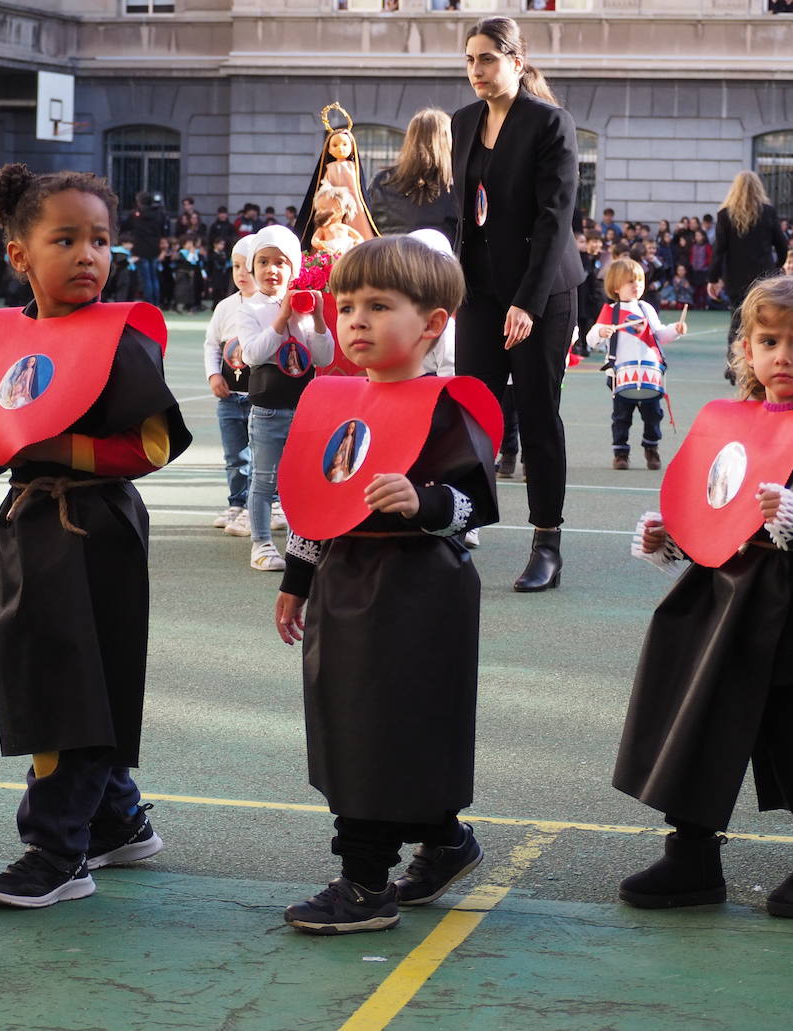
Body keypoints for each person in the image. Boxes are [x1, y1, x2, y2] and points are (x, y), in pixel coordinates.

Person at [0, 163, 192, 908]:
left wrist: (50, 448)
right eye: (67, 239)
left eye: (102, 240)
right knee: (40, 667)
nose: (89, 255)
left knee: (73, 681)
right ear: (19, 254)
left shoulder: (118, 336)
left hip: (95, 525)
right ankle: (115, 820)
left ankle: (57, 850)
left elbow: (151, 445)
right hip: (27, 520)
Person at [614, 274, 793, 920]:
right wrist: (670, 537)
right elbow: (707, 505)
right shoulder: (729, 421)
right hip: (722, 603)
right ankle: (691, 854)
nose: (781, 355)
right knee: (698, 723)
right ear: (745, 348)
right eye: (767, 340)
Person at [273, 236, 500, 934]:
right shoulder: (331, 399)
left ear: (432, 323)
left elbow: (474, 503)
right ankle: (445, 839)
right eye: (346, 307)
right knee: (353, 723)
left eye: (379, 306)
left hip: (418, 591)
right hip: (345, 583)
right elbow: (317, 500)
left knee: (395, 727)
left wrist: (424, 500)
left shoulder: (446, 404)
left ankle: (366, 881)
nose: (357, 322)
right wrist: (297, 577)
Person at [452, 16, 585, 592]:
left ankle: (546, 542)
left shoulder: (549, 123)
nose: (476, 71)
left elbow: (556, 217)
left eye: (487, 59)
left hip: (543, 294)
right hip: (479, 294)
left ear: (517, 61)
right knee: (471, 412)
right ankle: (458, 524)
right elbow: (463, 214)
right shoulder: (462, 122)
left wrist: (528, 302)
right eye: (469, 61)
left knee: (536, 415)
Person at [235, 225, 335, 571]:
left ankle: (300, 541)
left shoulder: (305, 309)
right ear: (253, 268)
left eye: (280, 263)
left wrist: (318, 318)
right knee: (264, 478)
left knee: (303, 477)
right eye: (263, 262)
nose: (271, 269)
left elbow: (323, 358)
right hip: (267, 408)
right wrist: (281, 319)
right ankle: (261, 544)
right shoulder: (249, 309)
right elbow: (251, 354)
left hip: (305, 408)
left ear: (294, 269)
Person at [594, 257, 686, 471]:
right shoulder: (610, 311)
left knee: (653, 414)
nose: (637, 286)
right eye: (630, 282)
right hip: (619, 374)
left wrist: (676, 329)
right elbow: (592, 337)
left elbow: (659, 334)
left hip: (648, 372)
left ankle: (651, 448)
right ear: (616, 287)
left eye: (640, 281)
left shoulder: (646, 309)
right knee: (621, 417)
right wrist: (601, 331)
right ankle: (620, 453)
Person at [706, 171, 789, 380]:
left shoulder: (725, 215)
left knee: (737, 321)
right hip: (763, 277)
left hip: (735, 277)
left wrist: (713, 279)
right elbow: (782, 245)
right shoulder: (768, 212)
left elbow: (719, 250)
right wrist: (777, 267)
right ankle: (760, 364)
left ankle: (733, 365)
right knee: (763, 322)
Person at [204, 234, 259, 537]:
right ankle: (236, 503)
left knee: (261, 453)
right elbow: (212, 345)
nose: (241, 273)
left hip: (259, 396)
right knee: (235, 456)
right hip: (229, 397)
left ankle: (259, 504)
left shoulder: (269, 307)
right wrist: (214, 375)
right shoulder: (225, 307)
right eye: (236, 266)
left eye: (248, 266)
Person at [367, 108, 460, 245]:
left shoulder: (382, 182)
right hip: (439, 264)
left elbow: (370, 228)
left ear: (410, 139)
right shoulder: (457, 184)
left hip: (389, 261)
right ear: (448, 139)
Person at [294, 108, 380, 247]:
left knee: (360, 231)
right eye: (335, 145)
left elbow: (357, 188)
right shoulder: (330, 168)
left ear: (352, 147)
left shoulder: (353, 167)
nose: (340, 148)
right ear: (328, 149)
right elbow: (326, 186)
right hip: (333, 204)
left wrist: (352, 203)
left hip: (353, 206)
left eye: (344, 144)